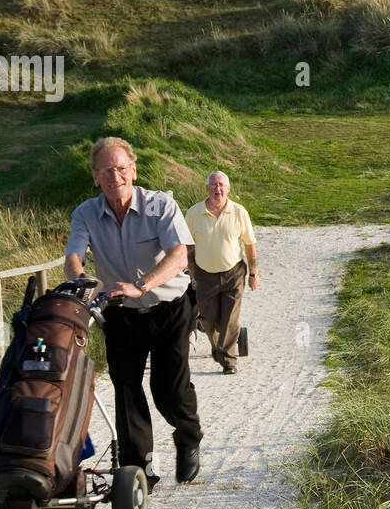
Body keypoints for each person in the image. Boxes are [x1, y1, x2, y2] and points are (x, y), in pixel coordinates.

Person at [63, 137, 202, 486]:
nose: (116, 176)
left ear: (133, 170)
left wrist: (142, 285)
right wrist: (81, 280)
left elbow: (178, 256)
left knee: (168, 390)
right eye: (106, 170)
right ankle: (138, 469)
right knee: (126, 388)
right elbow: (73, 257)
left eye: (122, 168)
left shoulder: (161, 206)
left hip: (169, 307)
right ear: (95, 176)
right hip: (120, 311)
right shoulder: (85, 213)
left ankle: (189, 436)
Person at [185, 171, 259, 374]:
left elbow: (250, 245)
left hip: (233, 273)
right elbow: (187, 244)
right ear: (207, 188)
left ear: (228, 189)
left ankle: (228, 360)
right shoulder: (194, 213)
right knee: (209, 320)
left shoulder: (239, 212)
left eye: (221, 185)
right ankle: (220, 349)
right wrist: (191, 267)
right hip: (204, 274)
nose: (218, 189)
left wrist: (253, 273)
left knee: (230, 319)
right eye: (214, 185)